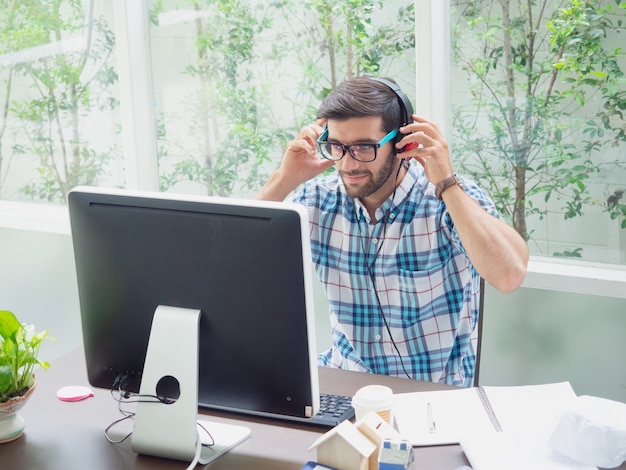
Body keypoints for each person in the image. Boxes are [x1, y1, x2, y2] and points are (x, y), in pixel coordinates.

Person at [255, 76, 528, 386]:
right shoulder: (318, 200)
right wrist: (284, 179)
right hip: (346, 385)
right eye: (337, 147)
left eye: (363, 147)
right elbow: (234, 259)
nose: (348, 164)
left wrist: (447, 183)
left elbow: (509, 275)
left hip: (433, 396)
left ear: (403, 144)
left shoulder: (446, 202)